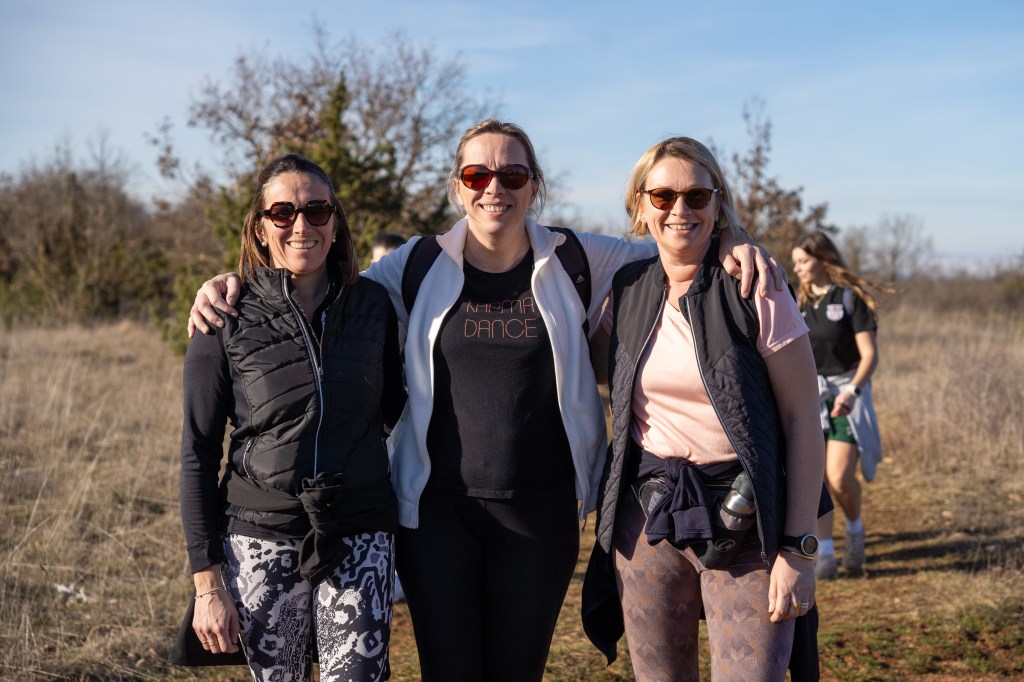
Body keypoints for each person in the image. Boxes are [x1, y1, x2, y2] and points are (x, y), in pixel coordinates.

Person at [188, 119, 784, 681]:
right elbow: (315, 277)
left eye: (512, 176)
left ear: (534, 187)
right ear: (457, 187)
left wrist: (733, 236)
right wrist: (234, 284)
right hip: (437, 516)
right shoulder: (417, 263)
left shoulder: (575, 258)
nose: (494, 189)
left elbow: (672, 240)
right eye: (477, 176)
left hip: (541, 515)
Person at [582, 136, 825, 681]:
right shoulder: (627, 289)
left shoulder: (757, 287)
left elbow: (802, 420)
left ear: (718, 204)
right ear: (640, 206)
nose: (680, 209)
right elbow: (588, 367)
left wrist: (798, 549)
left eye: (696, 196)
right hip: (649, 516)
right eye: (662, 196)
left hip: (750, 517)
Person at [176, 154, 405, 681]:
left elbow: (395, 411)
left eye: (317, 210)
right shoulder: (224, 316)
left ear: (335, 222)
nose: (302, 225)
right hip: (259, 537)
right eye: (283, 212)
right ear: (260, 228)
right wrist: (207, 583)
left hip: (358, 530)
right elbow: (198, 453)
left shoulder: (373, 305)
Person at [792, 231, 884, 579]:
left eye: (804, 260)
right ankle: (827, 552)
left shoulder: (849, 299)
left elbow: (869, 356)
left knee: (839, 476)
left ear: (823, 260)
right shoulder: (797, 301)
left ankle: (855, 529)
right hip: (810, 397)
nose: (797, 268)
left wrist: (852, 392)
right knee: (815, 481)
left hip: (846, 395)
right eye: (795, 262)